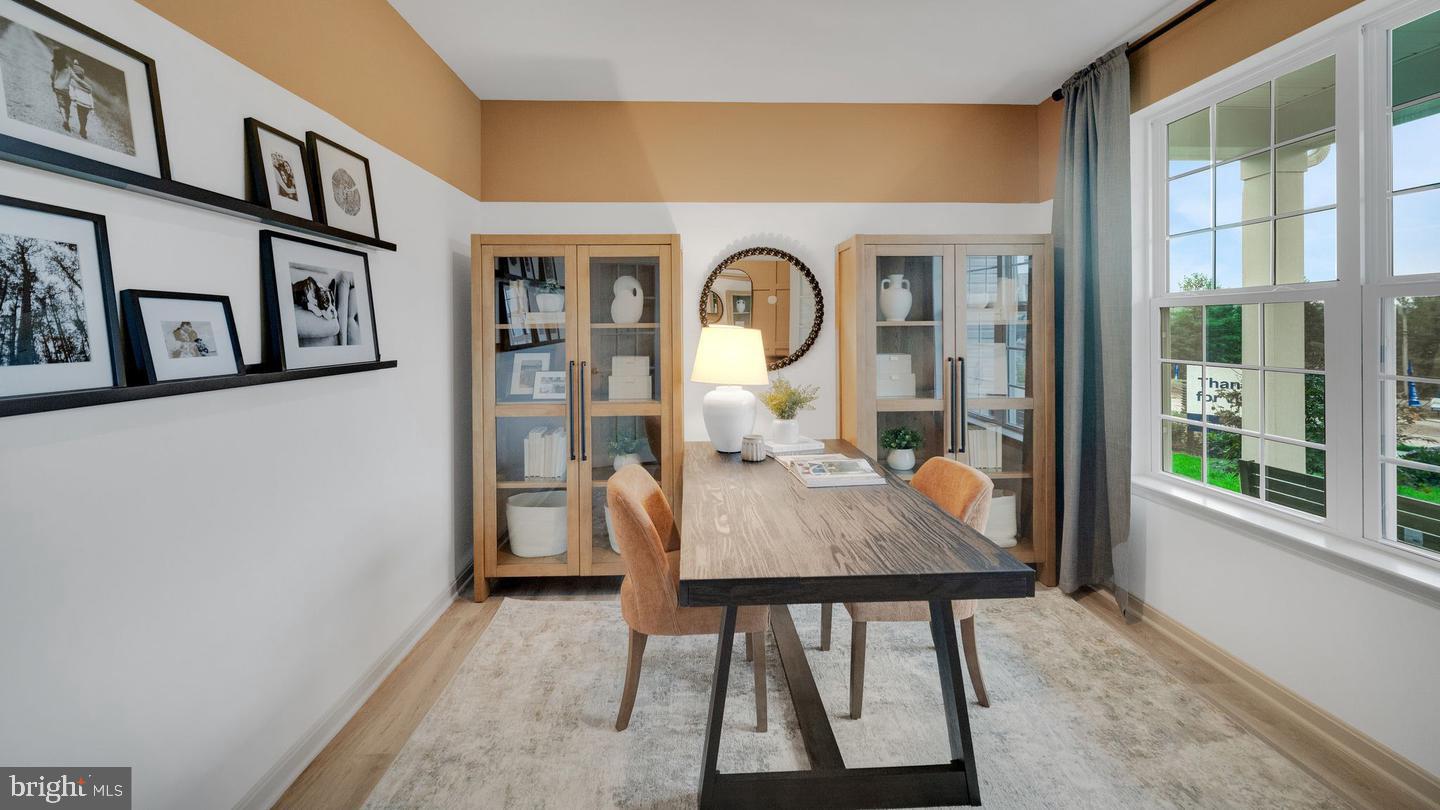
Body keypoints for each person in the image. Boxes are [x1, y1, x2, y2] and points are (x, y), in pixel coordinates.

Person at [67, 57, 94, 139]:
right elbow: (90, 96)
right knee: (84, 117)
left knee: (81, 116)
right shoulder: (86, 86)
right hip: (87, 104)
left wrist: (73, 98)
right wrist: (92, 107)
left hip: (80, 102)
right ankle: (83, 130)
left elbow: (72, 91)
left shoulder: (73, 83)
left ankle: (82, 129)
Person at [50, 49, 72, 132]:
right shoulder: (67, 62)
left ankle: (65, 120)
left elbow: (52, 74)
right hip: (67, 88)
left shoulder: (55, 62)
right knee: (67, 105)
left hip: (58, 87)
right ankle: (67, 120)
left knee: (61, 104)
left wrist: (53, 82)